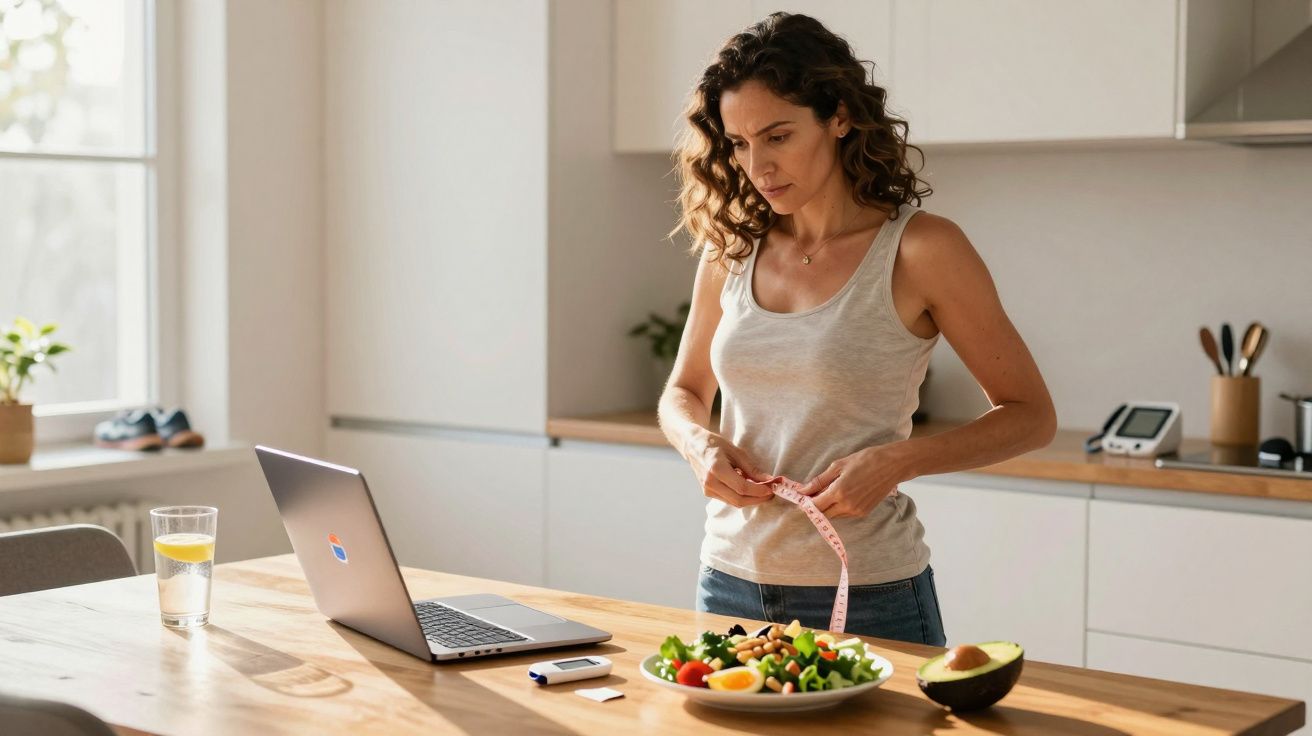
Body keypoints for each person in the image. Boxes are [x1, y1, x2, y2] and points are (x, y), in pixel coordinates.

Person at [657, 13, 1057, 646]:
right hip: (729, 578)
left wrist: (897, 462)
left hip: (870, 592)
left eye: (778, 135)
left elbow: (1031, 415)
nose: (757, 165)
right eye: (738, 143)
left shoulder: (922, 249)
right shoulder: (731, 250)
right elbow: (683, 391)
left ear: (838, 116)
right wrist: (696, 446)